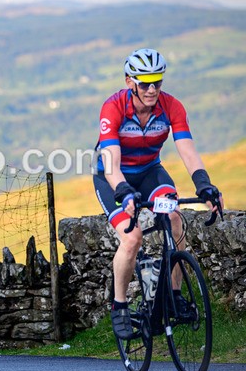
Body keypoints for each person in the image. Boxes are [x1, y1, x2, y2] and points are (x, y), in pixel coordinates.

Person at [93, 48, 222, 340]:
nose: (152, 89)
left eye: (158, 82)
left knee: (175, 218)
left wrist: (205, 185)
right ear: (130, 82)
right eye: (145, 83)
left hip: (151, 172)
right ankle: (120, 304)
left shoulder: (171, 107)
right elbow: (111, 161)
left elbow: (187, 150)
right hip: (113, 177)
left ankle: (174, 295)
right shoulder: (112, 108)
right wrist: (124, 192)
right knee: (133, 238)